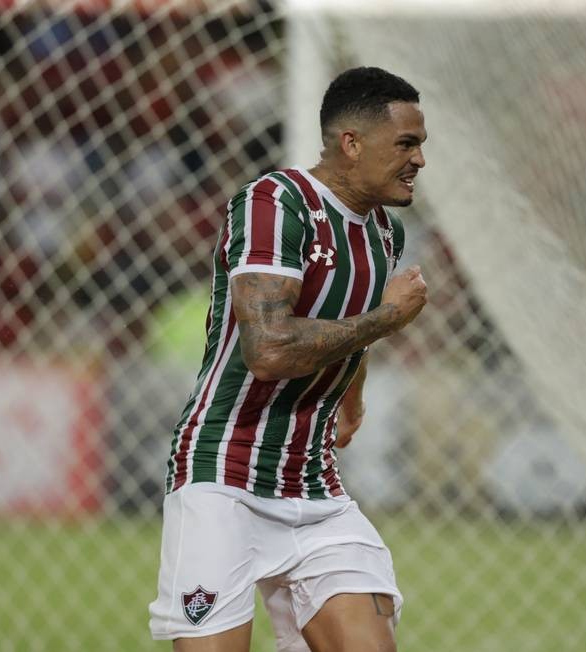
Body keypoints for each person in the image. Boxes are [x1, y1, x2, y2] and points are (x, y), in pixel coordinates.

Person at [148, 66, 428, 652]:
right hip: (224, 471)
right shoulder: (276, 203)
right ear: (351, 143)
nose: (419, 159)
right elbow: (269, 350)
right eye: (407, 143)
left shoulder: (385, 232)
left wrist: (352, 398)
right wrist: (389, 317)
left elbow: (346, 324)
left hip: (311, 482)